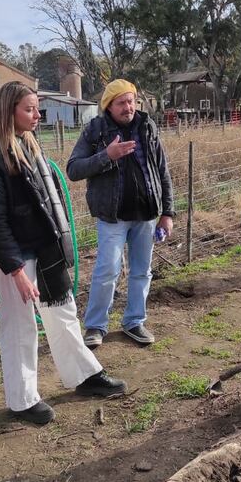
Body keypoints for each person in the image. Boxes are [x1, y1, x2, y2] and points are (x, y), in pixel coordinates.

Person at [0, 83, 126, 425]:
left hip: (44, 248)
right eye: (29, 109)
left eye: (37, 108)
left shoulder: (29, 145)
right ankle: (22, 399)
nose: (37, 115)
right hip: (16, 257)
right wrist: (16, 271)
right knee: (20, 326)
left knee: (63, 313)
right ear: (9, 111)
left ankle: (84, 376)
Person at [67, 79, 174, 348]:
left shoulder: (147, 126)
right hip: (112, 216)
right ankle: (95, 326)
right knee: (107, 270)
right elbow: (73, 169)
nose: (128, 107)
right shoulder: (95, 130)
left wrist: (168, 212)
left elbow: (162, 170)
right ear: (109, 106)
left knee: (141, 271)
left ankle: (134, 321)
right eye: (122, 102)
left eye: (131, 101)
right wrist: (107, 155)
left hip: (146, 214)